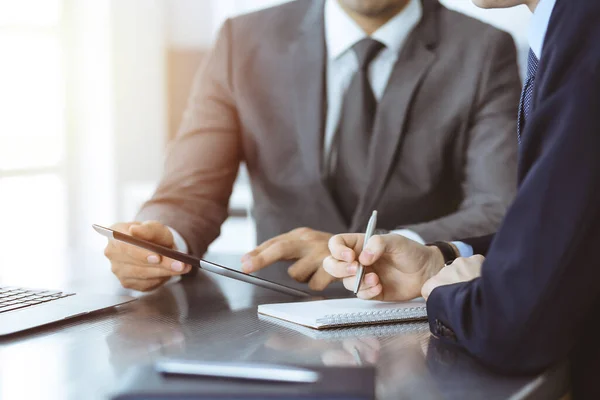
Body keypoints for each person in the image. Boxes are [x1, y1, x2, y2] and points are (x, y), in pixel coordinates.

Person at [103, 0, 521, 293]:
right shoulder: (242, 40)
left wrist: (382, 247)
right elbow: (190, 190)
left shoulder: (483, 50)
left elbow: (497, 206)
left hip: (418, 312)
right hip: (274, 312)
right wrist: (161, 241)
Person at [324, 0, 600, 397]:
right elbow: (577, 219)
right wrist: (442, 260)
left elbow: (513, 326)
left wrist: (451, 297)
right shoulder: (567, 26)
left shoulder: (584, 29)